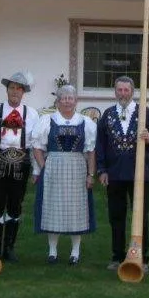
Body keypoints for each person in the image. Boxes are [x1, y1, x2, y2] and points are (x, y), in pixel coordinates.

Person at [96, 76, 149, 272]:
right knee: (116, 216)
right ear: (115, 92)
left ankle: (142, 257)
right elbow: (100, 145)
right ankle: (117, 256)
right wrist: (102, 170)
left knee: (140, 217)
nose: (123, 93)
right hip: (114, 174)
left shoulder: (145, 113)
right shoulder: (107, 115)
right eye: (119, 90)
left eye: (126, 90)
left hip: (140, 175)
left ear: (132, 91)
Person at [32, 84, 97, 265]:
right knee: (53, 208)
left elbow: (91, 150)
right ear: (58, 102)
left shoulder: (86, 122)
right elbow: (37, 147)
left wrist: (90, 174)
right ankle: (52, 251)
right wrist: (44, 167)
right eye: (63, 98)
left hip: (77, 167)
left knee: (77, 210)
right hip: (53, 166)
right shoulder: (47, 120)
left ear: (76, 101)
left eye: (70, 98)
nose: (67, 101)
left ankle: (75, 251)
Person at [0, 71, 39, 262]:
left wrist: (36, 170)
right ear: (7, 90)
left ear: (24, 92)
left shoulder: (31, 114)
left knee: (15, 205)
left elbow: (35, 143)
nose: (15, 92)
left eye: (19, 89)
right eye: (12, 88)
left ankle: (9, 248)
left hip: (21, 164)